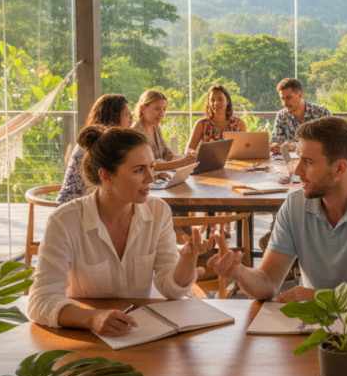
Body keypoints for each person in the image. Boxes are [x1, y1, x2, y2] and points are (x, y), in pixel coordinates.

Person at [207, 116, 347, 307]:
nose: (297, 172)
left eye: (307, 162)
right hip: (314, 325)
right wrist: (241, 273)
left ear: (340, 168)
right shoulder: (294, 204)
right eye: (298, 160)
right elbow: (269, 281)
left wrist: (322, 298)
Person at [28, 126, 214, 334]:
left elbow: (170, 288)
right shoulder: (65, 221)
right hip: (88, 340)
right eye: (138, 170)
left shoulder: (158, 211)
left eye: (151, 167)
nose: (151, 179)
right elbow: (40, 300)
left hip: (140, 333)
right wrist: (92, 318)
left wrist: (187, 259)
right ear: (107, 177)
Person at [57, 94, 133, 204]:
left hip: (90, 202)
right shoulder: (100, 143)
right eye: (126, 115)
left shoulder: (97, 137)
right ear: (112, 117)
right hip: (76, 206)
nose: (131, 119)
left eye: (131, 114)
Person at [132, 89, 196, 172]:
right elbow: (145, 165)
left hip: (160, 177)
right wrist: (181, 162)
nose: (161, 114)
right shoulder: (134, 132)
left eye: (164, 109)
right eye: (157, 109)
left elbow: (166, 153)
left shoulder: (156, 127)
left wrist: (188, 158)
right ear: (143, 109)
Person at [270, 77, 332, 155]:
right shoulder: (281, 116)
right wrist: (273, 146)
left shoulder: (322, 112)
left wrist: (294, 146)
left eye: (289, 97)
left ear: (299, 95)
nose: (285, 103)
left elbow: (331, 142)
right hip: (288, 164)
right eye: (282, 98)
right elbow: (276, 140)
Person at [187, 84, 247, 151]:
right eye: (212, 100)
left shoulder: (239, 124)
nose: (216, 103)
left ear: (227, 101)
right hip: (207, 161)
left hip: (234, 162)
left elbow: (244, 150)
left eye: (220, 99)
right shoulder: (201, 124)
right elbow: (188, 151)